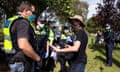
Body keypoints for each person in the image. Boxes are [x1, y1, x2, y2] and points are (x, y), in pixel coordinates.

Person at [3, 1, 41, 72]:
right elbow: (23, 45)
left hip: (11, 59)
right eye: (32, 12)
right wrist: (37, 58)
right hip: (21, 62)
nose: (33, 15)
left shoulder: (10, 21)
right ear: (25, 11)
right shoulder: (23, 22)